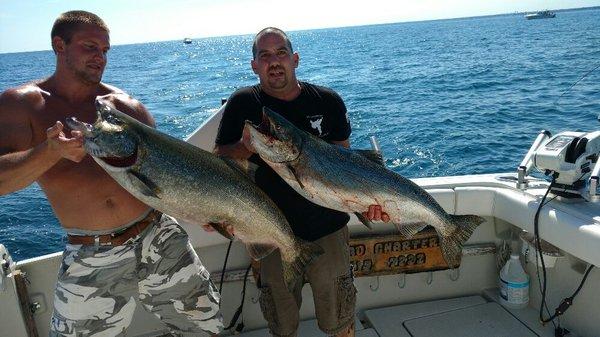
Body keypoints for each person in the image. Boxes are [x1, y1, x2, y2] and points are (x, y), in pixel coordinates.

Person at [0, 11, 222, 336]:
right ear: (59, 45)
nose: (100, 57)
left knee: (206, 327)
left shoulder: (126, 107)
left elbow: (165, 178)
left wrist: (202, 209)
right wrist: (48, 152)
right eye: (90, 46)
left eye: (105, 50)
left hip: (158, 235)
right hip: (92, 250)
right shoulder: (22, 106)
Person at [209, 27, 389, 337]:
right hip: (269, 230)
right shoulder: (242, 103)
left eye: (280, 53)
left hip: (328, 230)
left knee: (340, 319)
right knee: (282, 323)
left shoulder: (328, 100)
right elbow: (221, 158)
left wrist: (366, 203)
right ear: (254, 65)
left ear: (295, 59)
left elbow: (345, 162)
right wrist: (247, 147)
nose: (274, 61)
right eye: (264, 56)